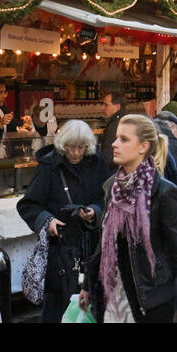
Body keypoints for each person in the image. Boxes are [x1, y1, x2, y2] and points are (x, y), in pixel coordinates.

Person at [80, 114, 177, 323]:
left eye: (124, 139)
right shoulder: (111, 187)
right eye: (116, 137)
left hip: (152, 299)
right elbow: (105, 242)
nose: (114, 144)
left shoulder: (163, 191)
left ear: (143, 147)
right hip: (113, 295)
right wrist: (88, 285)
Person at [16, 120, 108, 323]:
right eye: (70, 148)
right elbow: (28, 205)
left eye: (80, 148)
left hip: (91, 247)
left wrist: (95, 211)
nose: (75, 153)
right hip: (61, 250)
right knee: (57, 309)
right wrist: (47, 221)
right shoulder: (49, 166)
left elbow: (106, 198)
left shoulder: (97, 162)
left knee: (92, 309)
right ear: (62, 145)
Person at [99, 91, 133, 167]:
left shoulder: (116, 124)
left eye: (106, 105)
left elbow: (109, 156)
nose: (103, 108)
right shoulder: (127, 120)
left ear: (117, 107)